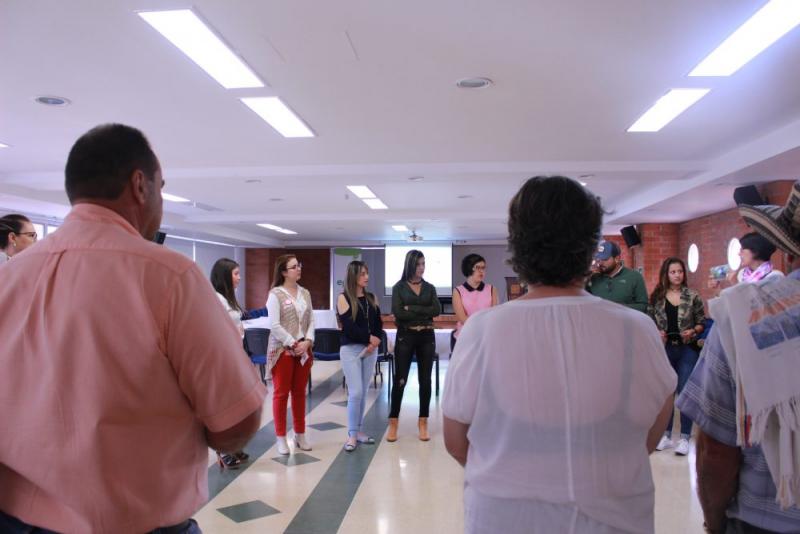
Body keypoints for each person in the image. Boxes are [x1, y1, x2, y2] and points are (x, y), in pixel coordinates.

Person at [0, 124, 265, 533]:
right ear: (140, 186)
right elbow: (237, 420)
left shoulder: (9, 279)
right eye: (162, 187)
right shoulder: (169, 276)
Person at [442, 176, 676, 534]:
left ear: (518, 245)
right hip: (615, 517)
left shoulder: (481, 330)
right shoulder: (637, 329)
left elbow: (456, 441)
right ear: (590, 246)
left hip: (505, 518)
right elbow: (651, 430)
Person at [676, 181, 800, 533]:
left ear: (789, 251)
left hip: (771, 515)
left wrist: (715, 522)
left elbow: (717, 449)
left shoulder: (744, 316)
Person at [647, 257, 706, 456]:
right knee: (666, 393)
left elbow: (702, 322)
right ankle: (665, 435)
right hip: (665, 349)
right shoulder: (657, 297)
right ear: (666, 274)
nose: (677, 275)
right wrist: (656, 332)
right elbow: (649, 320)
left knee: (685, 392)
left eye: (680, 271)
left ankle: (685, 437)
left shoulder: (692, 296)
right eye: (673, 272)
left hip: (686, 349)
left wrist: (693, 331)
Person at [389, 249, 441, 442]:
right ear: (410, 265)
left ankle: (423, 422)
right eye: (418, 264)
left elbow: (436, 309)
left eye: (423, 263)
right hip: (406, 337)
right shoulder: (399, 287)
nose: (422, 267)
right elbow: (398, 313)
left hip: (427, 336)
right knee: (400, 379)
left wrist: (411, 307)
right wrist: (423, 311)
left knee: (425, 380)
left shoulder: (430, 287)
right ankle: (393, 422)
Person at [266, 254, 315, 455]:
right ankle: (280, 438)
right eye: (294, 267)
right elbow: (274, 325)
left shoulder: (305, 293)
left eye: (299, 265)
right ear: (284, 272)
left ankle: (300, 434)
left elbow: (311, 320)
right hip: (282, 350)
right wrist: (293, 343)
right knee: (281, 394)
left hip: (303, 349)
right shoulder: (275, 294)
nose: (298, 269)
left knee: (299, 393)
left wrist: (308, 341)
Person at [336, 260, 382, 452]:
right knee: (355, 392)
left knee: (363, 392)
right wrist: (369, 338)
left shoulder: (371, 298)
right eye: (362, 274)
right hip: (351, 349)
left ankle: (359, 430)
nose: (367, 277)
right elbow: (349, 327)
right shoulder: (343, 298)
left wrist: (375, 340)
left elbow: (378, 323)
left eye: (367, 273)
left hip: (371, 349)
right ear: (353, 275)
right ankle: (352, 434)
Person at [210, 257, 250, 468]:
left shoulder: (229, 298)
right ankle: (223, 449)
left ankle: (233, 446)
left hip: (235, 355)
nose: (239, 278)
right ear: (225, 276)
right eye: (236, 274)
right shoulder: (216, 299)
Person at [587, 240, 648, 313]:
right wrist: (586, 276)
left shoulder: (635, 277)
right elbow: (581, 301)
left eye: (605, 259)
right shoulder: (593, 278)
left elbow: (643, 306)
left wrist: (618, 307)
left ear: (617, 259)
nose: (600, 263)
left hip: (625, 320)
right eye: (599, 259)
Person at [452, 253, 498, 350]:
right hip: (465, 336)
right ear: (469, 268)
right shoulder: (458, 291)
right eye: (478, 267)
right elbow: (462, 318)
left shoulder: (492, 289)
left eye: (483, 268)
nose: (481, 271)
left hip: (487, 336)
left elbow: (494, 316)